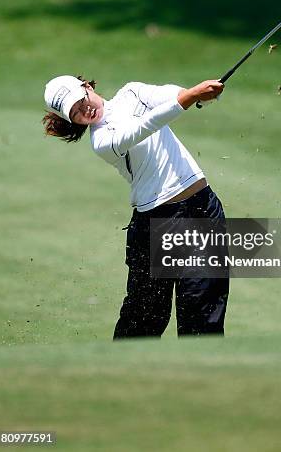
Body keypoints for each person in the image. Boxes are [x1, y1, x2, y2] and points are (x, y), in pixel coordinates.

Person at [42, 74, 229, 338]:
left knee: (203, 316)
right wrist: (192, 96)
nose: (85, 111)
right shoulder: (102, 141)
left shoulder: (132, 92)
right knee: (144, 319)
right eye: (75, 114)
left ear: (86, 87)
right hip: (156, 223)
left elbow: (171, 95)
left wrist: (200, 95)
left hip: (202, 212)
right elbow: (145, 126)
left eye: (81, 102)